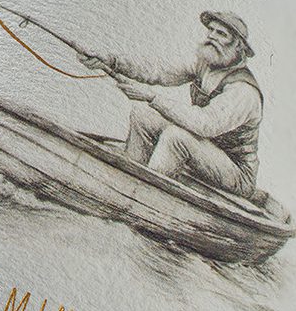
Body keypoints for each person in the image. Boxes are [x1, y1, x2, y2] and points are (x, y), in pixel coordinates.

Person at [81, 12, 263, 198]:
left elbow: (205, 124)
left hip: (236, 173)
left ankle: (144, 196)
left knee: (176, 137)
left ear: (238, 45)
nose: (212, 37)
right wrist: (112, 61)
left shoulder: (244, 90)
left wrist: (153, 98)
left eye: (221, 34)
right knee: (143, 114)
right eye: (211, 30)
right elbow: (159, 71)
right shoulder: (205, 64)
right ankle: (127, 178)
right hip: (204, 151)